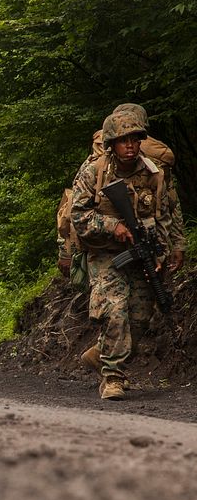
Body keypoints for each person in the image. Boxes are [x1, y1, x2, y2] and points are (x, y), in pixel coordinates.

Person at [71, 110, 180, 400]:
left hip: (141, 253)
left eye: (135, 139)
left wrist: (163, 251)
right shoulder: (94, 172)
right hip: (106, 254)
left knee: (141, 317)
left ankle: (101, 354)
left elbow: (164, 215)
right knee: (114, 310)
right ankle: (112, 378)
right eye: (123, 140)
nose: (130, 145)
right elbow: (78, 217)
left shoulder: (153, 172)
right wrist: (112, 226)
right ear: (111, 143)